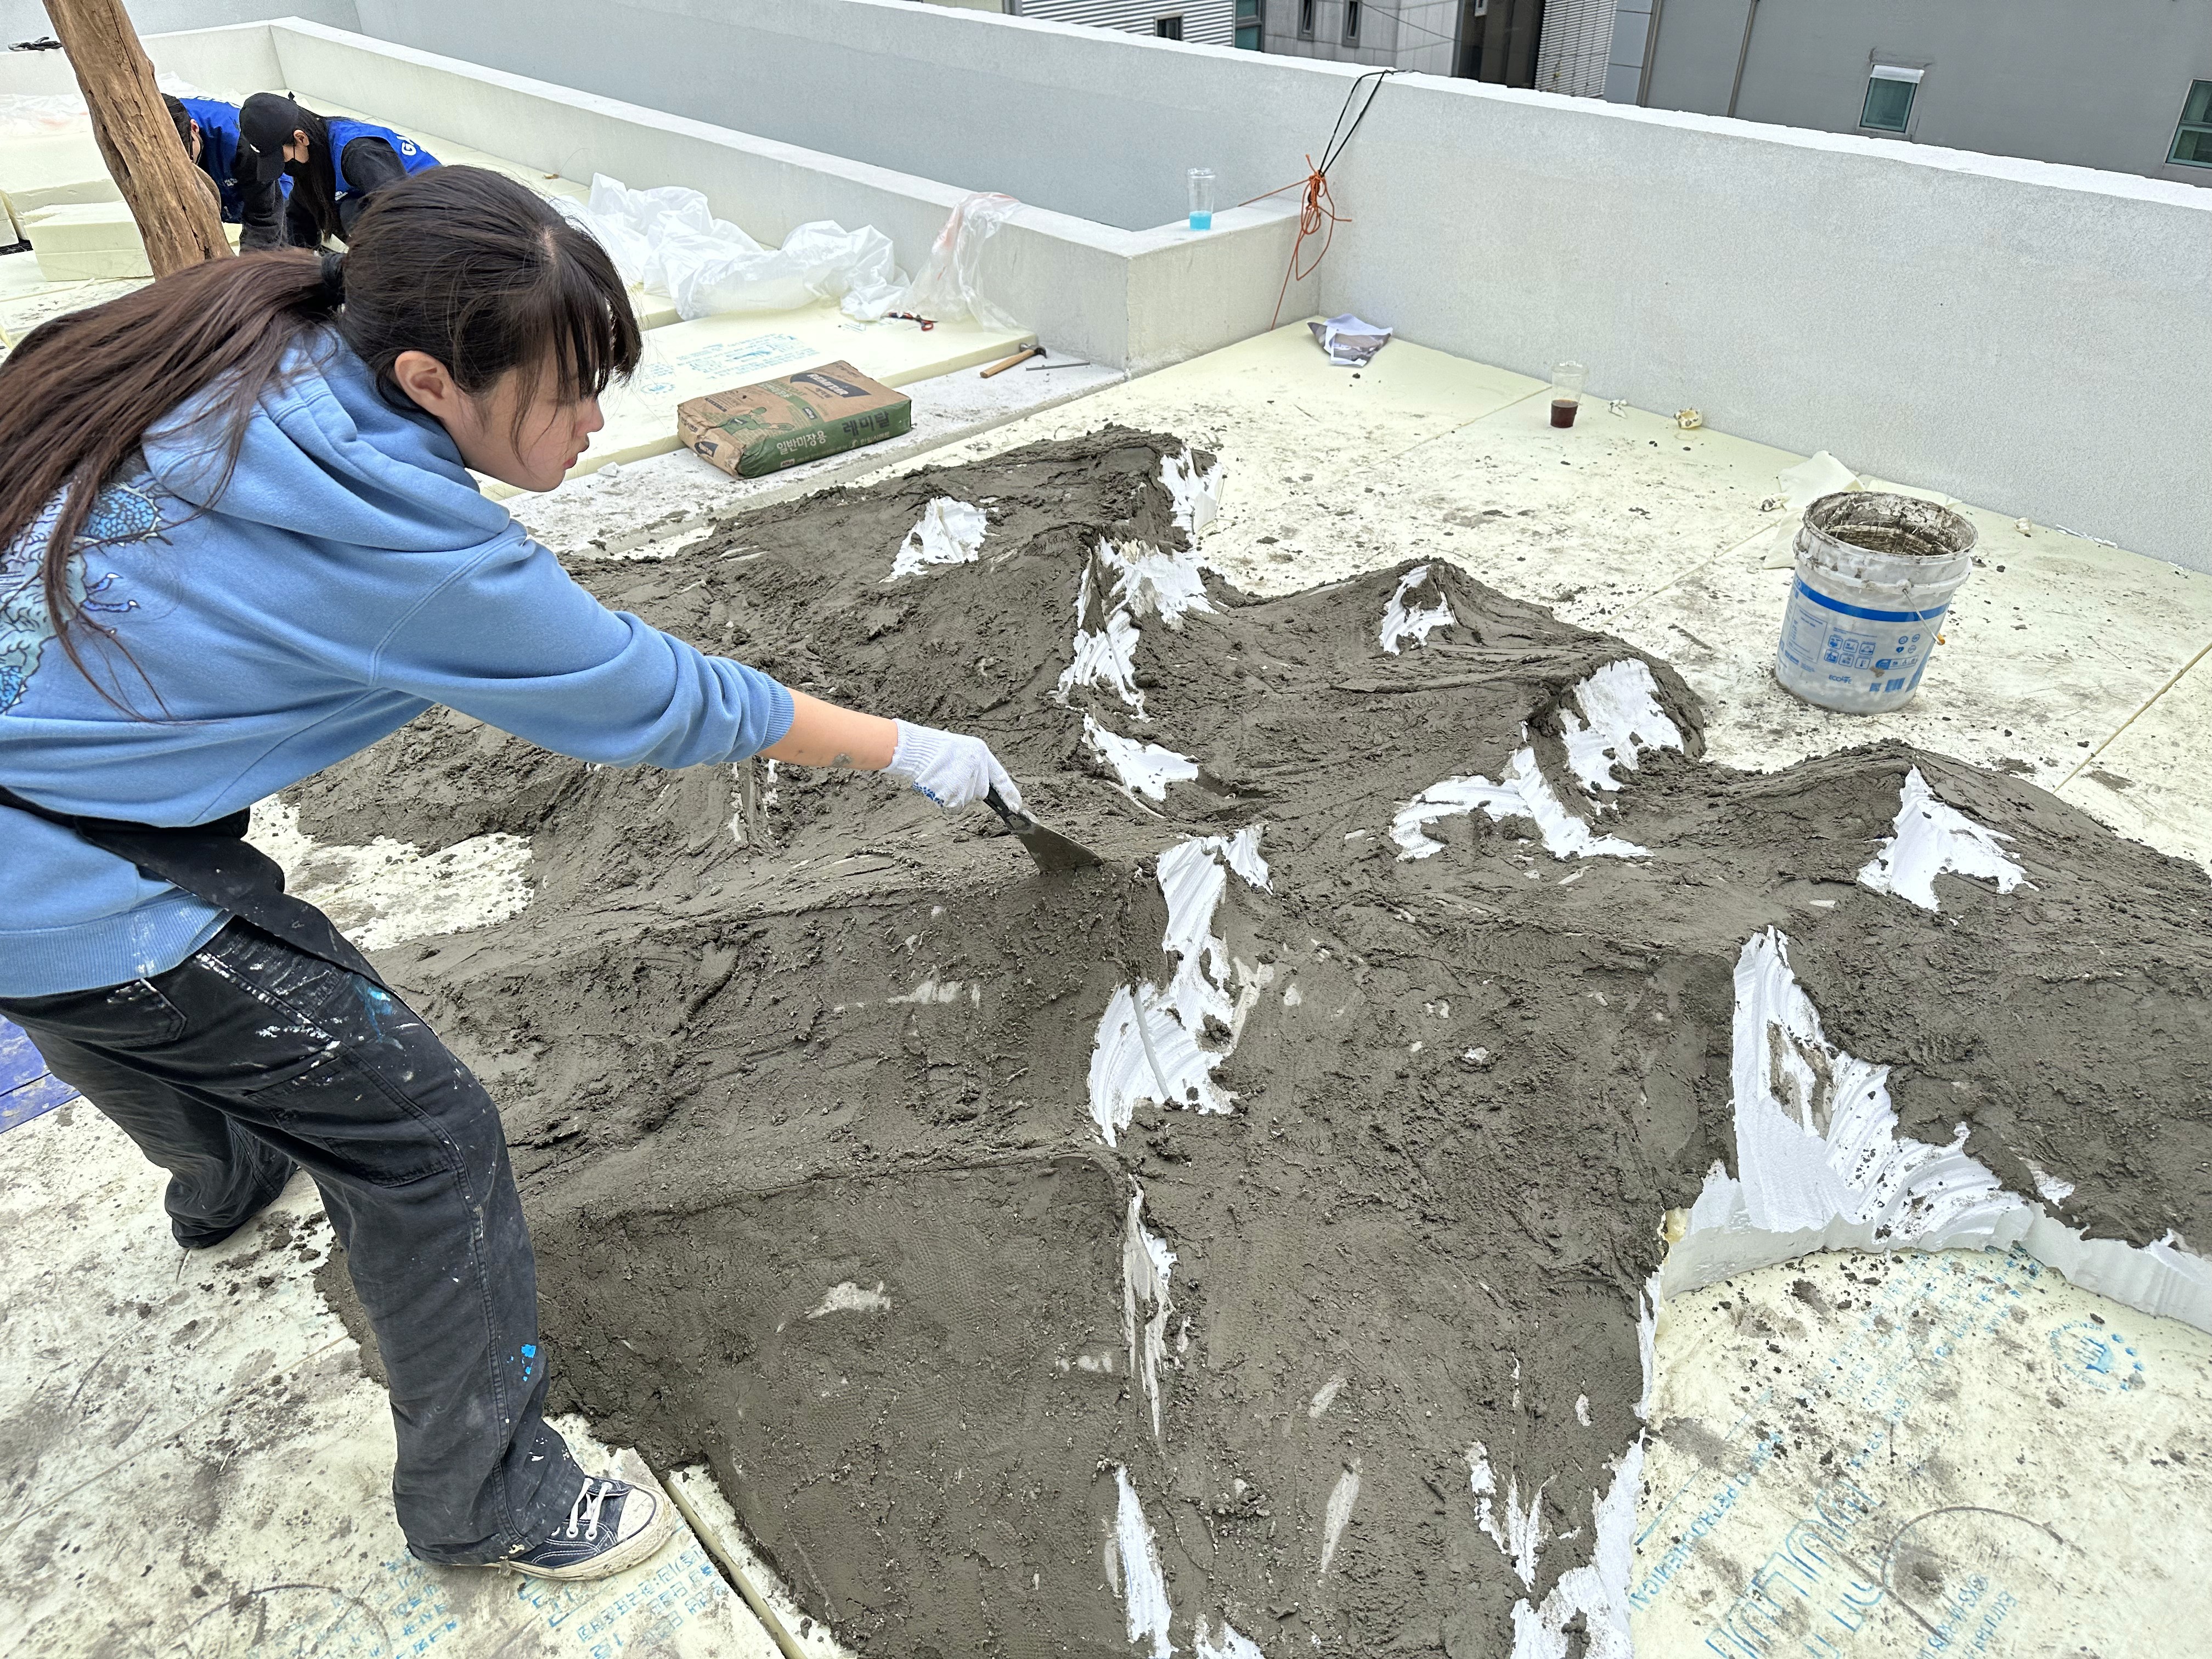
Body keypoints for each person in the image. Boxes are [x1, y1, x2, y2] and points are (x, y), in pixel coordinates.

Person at [0, 166, 1022, 1580]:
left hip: (47, 793)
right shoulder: (402, 540)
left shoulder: (258, 341)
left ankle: (220, 1179)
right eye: (565, 394)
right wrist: (908, 748)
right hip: (53, 864)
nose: (596, 424)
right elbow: (651, 696)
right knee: (420, 1140)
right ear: (428, 377)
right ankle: (488, 1497)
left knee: (122, 1000)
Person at [236, 91, 439, 250]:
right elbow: (300, 218)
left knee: (350, 211)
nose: (286, 167)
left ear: (301, 138)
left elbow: (400, 214)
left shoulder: (359, 153)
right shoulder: (316, 155)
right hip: (403, 214)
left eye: (282, 157)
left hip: (433, 213)